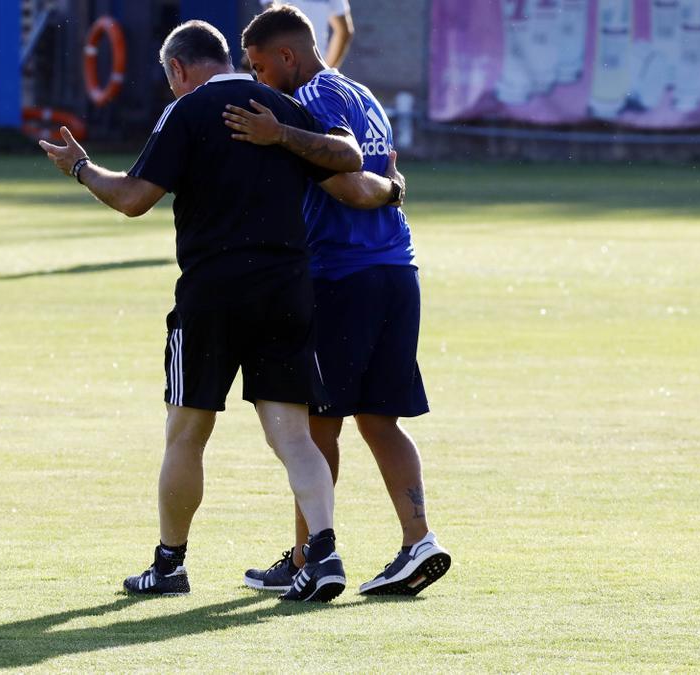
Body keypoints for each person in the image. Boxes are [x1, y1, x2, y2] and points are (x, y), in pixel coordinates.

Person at [39, 20, 365, 602]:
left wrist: (81, 168)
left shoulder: (186, 111)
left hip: (212, 293)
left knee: (187, 432)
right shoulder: (277, 106)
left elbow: (134, 198)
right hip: (286, 288)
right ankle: (323, 551)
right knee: (292, 434)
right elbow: (345, 160)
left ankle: (170, 565)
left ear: (178, 69)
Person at [227, 4, 452, 596]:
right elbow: (376, 177)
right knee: (380, 418)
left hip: (341, 277)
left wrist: (279, 135)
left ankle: (310, 557)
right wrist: (390, 190)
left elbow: (347, 170)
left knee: (317, 424)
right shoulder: (364, 93)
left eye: (258, 67)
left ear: (287, 57)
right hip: (396, 272)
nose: (257, 81)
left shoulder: (316, 99)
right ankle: (418, 541)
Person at [259, 0, 354, 68]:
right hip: (310, 70)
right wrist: (325, 73)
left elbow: (269, 23)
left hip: (281, 68)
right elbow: (344, 32)